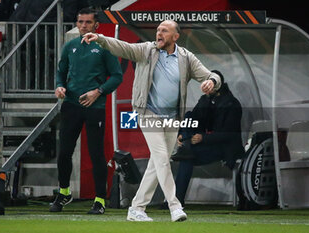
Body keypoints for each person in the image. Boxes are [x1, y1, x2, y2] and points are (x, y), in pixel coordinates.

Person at [81, 20, 221, 222]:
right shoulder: (146, 50)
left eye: (164, 31)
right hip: (148, 113)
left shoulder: (186, 58)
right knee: (162, 157)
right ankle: (175, 206)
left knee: (158, 163)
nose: (159, 33)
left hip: (172, 117)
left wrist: (212, 81)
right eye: (158, 30)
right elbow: (124, 47)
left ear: (175, 37)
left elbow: (212, 76)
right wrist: (101, 39)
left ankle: (136, 208)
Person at [50, 8, 123, 214]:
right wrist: (59, 86)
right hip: (71, 105)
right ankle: (64, 192)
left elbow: (117, 76)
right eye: (80, 22)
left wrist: (98, 92)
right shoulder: (70, 46)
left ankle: (99, 200)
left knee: (96, 153)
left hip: (95, 106)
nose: (83, 26)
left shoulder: (104, 47)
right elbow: (61, 72)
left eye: (88, 22)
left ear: (96, 25)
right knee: (64, 152)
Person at [173, 71, 244, 206]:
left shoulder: (231, 104)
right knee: (188, 117)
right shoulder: (205, 100)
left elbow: (229, 135)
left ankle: (176, 201)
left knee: (187, 156)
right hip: (208, 144)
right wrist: (181, 134)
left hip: (225, 148)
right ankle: (176, 201)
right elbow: (193, 117)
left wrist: (203, 138)